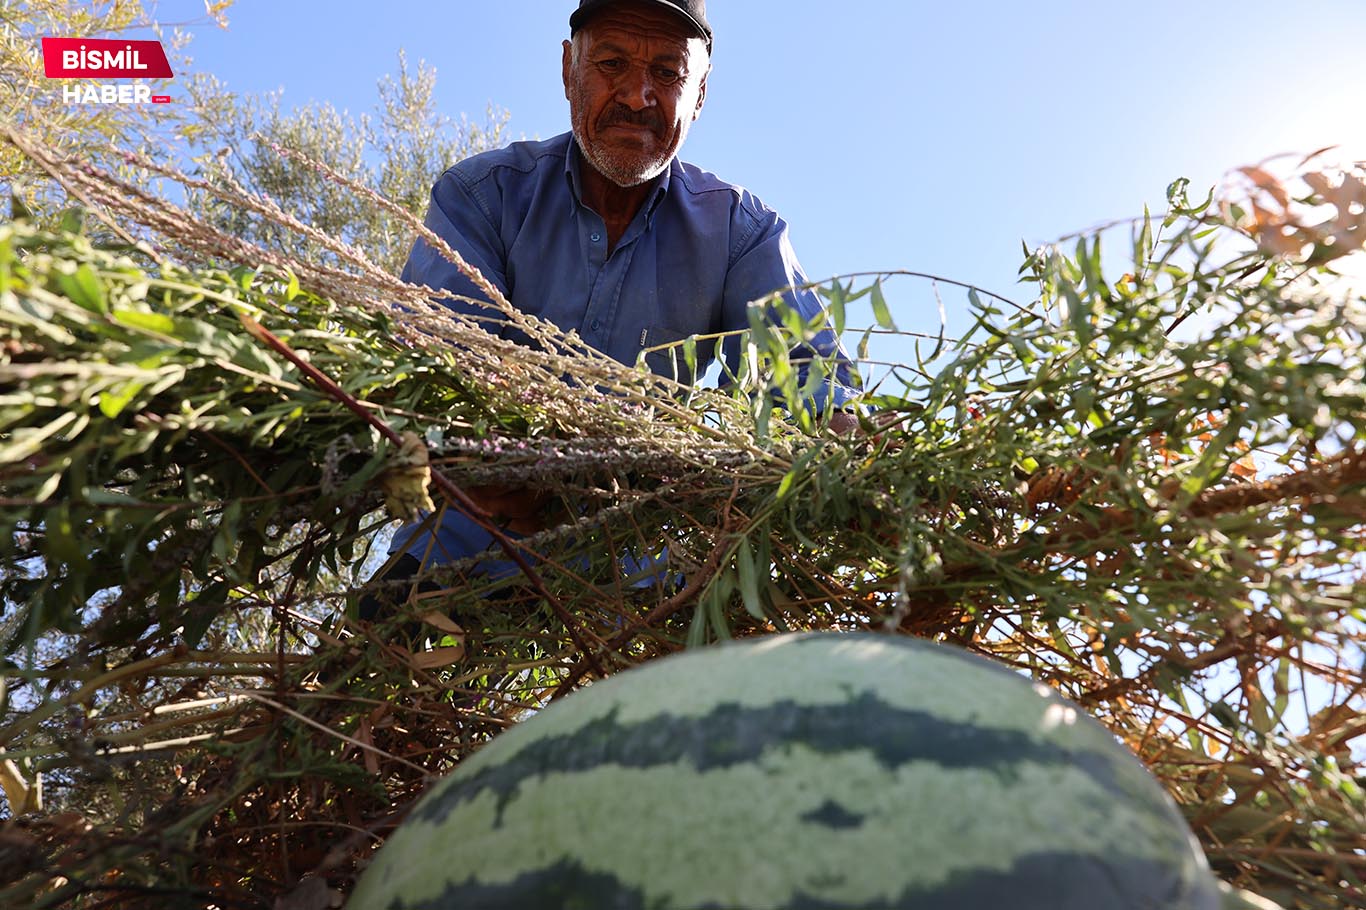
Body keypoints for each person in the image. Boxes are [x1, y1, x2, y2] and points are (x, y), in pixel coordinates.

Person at [362, 0, 858, 621]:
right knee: (355, 697)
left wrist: (832, 454)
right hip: (459, 547)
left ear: (700, 92)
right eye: (612, 62)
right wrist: (492, 462)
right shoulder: (482, 197)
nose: (638, 94)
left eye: (669, 72)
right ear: (569, 68)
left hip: (637, 580)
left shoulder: (741, 234)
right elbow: (440, 372)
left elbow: (812, 389)